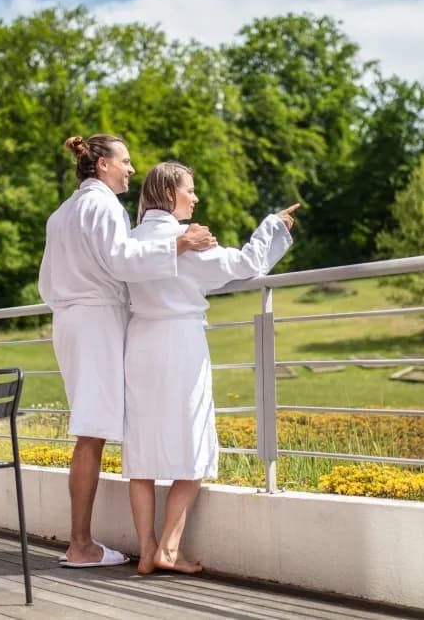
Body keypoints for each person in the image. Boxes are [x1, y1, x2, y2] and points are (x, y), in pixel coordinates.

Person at [38, 135, 216, 568]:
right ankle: (80, 545)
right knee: (91, 433)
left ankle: (84, 542)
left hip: (70, 320)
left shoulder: (61, 213)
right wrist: (179, 244)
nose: (131, 170)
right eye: (125, 161)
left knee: (91, 430)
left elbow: (47, 281)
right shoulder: (102, 207)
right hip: (96, 321)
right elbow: (122, 261)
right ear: (102, 165)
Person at [122, 161, 298, 574]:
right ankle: (168, 547)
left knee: (143, 452)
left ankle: (146, 549)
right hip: (180, 346)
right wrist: (274, 225)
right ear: (170, 194)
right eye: (190, 190)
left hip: (141, 345)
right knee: (195, 445)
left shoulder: (130, 242)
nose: (196, 198)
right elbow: (247, 263)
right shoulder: (189, 241)